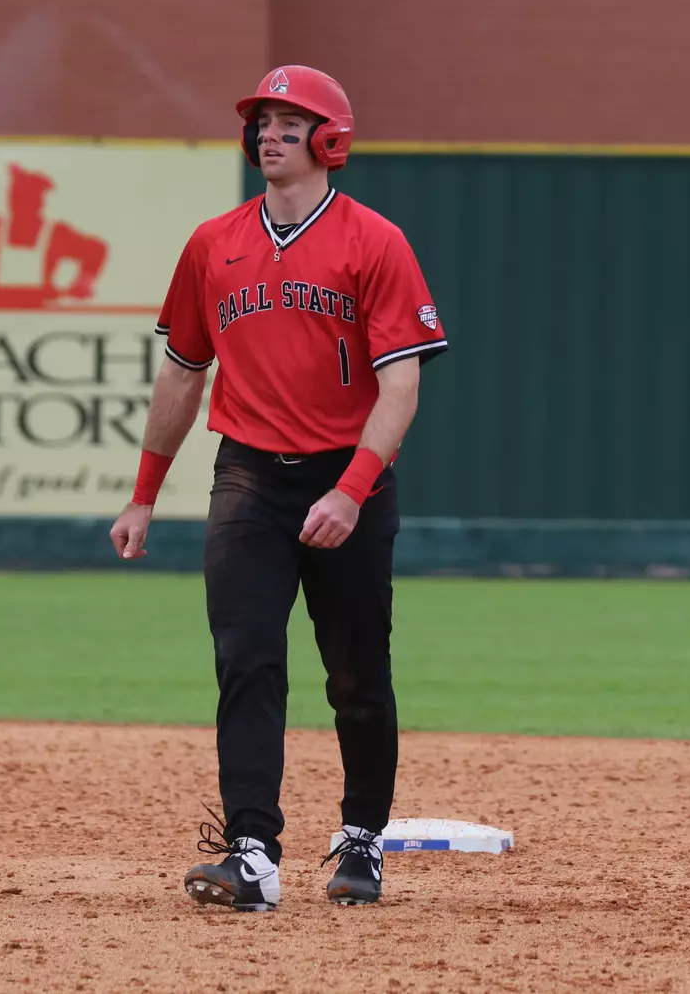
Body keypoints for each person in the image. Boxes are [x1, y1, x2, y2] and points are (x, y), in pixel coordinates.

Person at [109, 65, 448, 911]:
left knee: (356, 675)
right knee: (247, 660)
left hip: (347, 479)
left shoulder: (375, 241)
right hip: (250, 479)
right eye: (262, 121)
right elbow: (184, 374)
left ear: (330, 141)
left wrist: (354, 489)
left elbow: (400, 386)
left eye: (291, 124)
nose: (270, 135)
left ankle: (363, 838)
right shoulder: (212, 243)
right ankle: (252, 853)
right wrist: (144, 493)